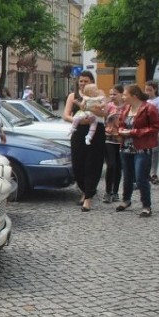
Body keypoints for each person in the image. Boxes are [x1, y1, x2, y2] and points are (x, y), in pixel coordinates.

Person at [115, 84, 159, 218]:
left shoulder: (149, 108)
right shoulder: (126, 108)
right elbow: (121, 124)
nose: (123, 97)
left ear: (134, 96)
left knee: (141, 177)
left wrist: (134, 132)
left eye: (125, 94)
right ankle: (126, 200)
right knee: (128, 176)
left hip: (142, 148)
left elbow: (156, 126)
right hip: (126, 147)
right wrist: (121, 131)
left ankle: (146, 206)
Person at [64, 70, 106, 212]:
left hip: (96, 132)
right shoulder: (73, 96)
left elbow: (104, 113)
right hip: (79, 131)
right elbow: (66, 115)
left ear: (91, 82)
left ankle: (88, 197)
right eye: (81, 81)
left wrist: (94, 112)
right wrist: (78, 120)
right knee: (78, 164)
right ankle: (84, 189)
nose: (82, 83)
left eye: (85, 81)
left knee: (92, 164)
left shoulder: (99, 95)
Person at [102, 84, 124, 203]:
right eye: (110, 94)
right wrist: (105, 104)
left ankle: (115, 192)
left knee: (119, 167)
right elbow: (103, 116)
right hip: (109, 138)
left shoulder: (126, 107)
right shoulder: (109, 105)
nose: (112, 96)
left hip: (120, 139)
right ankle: (107, 191)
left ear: (121, 94)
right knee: (111, 165)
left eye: (115, 94)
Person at [144, 80, 159, 185]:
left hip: (158, 128)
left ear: (155, 90)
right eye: (146, 90)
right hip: (146, 129)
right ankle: (146, 173)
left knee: (155, 151)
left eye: (149, 90)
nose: (147, 92)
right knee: (147, 151)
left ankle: (154, 173)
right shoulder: (144, 101)